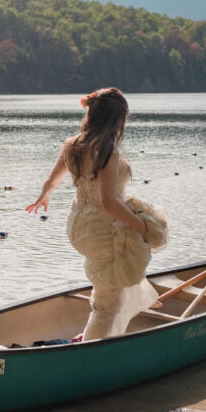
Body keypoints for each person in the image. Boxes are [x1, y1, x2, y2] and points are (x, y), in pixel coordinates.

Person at [26, 88, 168, 340]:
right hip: (100, 229)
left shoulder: (72, 145)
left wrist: (43, 197)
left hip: (76, 226)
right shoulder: (107, 151)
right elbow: (109, 203)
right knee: (109, 299)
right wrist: (142, 227)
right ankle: (92, 345)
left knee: (114, 272)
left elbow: (53, 180)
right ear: (118, 120)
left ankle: (130, 303)